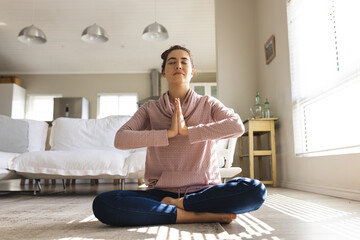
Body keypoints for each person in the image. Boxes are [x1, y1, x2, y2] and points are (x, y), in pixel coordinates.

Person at [92, 45, 267, 227]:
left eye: (184, 62)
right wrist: (167, 133)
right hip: (161, 193)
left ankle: (179, 206)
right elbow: (120, 139)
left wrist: (187, 131)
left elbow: (237, 126)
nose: (178, 66)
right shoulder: (150, 108)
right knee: (104, 203)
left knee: (255, 190)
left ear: (192, 71)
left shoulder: (207, 103)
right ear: (164, 73)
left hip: (203, 192)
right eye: (172, 62)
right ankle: (198, 216)